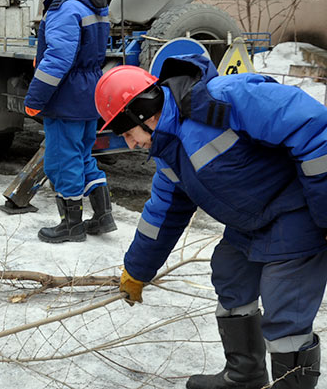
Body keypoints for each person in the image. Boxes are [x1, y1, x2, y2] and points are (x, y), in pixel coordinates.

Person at [95, 55, 327, 388]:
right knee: (230, 275)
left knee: (284, 311)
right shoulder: (169, 154)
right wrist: (136, 271)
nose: (131, 144)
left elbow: (316, 130)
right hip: (250, 224)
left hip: (297, 211)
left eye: (128, 133)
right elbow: (161, 216)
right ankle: (244, 375)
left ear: (145, 113)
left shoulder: (226, 97)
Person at [24, 0, 116, 243]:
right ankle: (103, 217)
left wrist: (35, 99)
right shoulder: (94, 5)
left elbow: (57, 60)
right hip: (90, 92)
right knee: (83, 155)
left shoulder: (67, 8)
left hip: (68, 97)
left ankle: (71, 226)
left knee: (62, 162)